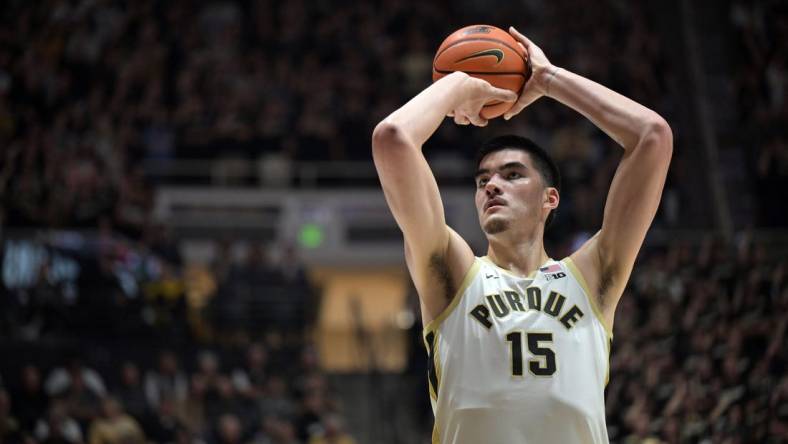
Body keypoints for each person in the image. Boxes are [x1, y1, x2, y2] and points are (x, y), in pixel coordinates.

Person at [371, 27, 672, 443]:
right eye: (482, 181)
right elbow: (393, 138)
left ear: (550, 198)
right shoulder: (454, 275)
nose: (492, 186)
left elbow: (651, 136)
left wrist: (549, 80)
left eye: (512, 175)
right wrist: (458, 85)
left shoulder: (592, 276)